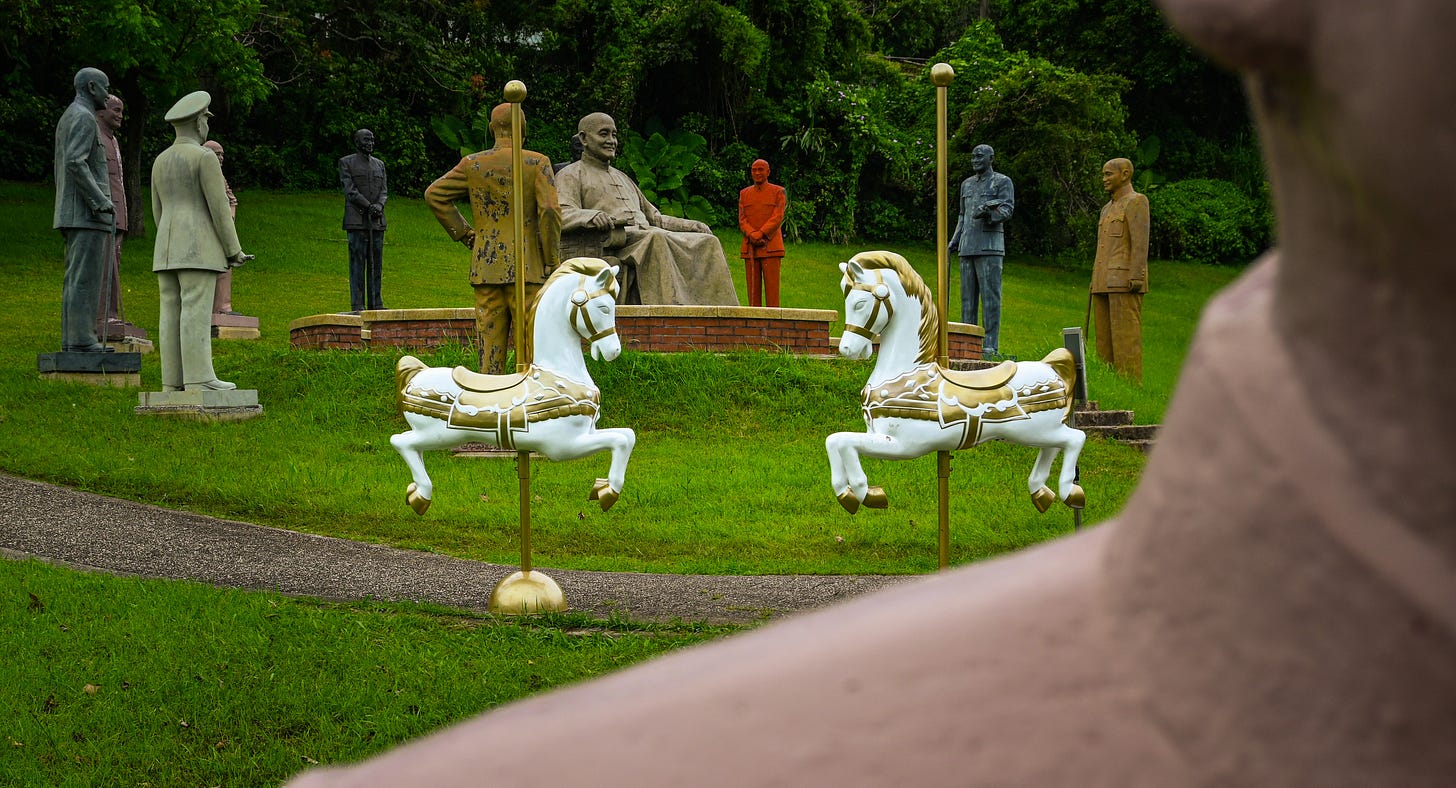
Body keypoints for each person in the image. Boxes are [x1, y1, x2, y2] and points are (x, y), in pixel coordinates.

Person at [288, 0, 1456, 784]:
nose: (593, 137)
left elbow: (638, 207)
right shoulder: (552, 174)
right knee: (639, 252)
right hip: (561, 261)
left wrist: (648, 212)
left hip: (624, 235)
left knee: (672, 232)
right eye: (584, 130)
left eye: (596, 130)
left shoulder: (604, 170)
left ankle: (1011, 439)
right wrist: (602, 215)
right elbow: (580, 216)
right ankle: (505, 408)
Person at [424, 103, 561, 374]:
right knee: (531, 349)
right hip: (529, 269)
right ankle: (527, 403)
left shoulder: (473, 164)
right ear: (523, 128)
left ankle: (488, 400)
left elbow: (434, 194)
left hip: (486, 267)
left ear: (492, 128)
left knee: (489, 350)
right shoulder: (537, 163)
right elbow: (549, 212)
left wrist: (466, 234)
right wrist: (552, 260)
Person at [556, 112, 737, 306]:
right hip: (617, 240)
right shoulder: (571, 174)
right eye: (604, 134)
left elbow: (655, 217)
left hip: (647, 234)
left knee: (708, 242)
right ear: (584, 138)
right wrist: (591, 216)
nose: (611, 141)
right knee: (656, 239)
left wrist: (690, 225)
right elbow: (561, 214)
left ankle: (724, 316)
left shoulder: (623, 177)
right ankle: (670, 313)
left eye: (614, 135)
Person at [150, 90, 248, 391]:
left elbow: (157, 210)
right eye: (205, 118)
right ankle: (200, 379)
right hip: (197, 247)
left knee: (170, 312)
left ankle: (172, 383)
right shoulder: (204, 157)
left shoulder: (161, 160)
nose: (207, 124)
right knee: (195, 310)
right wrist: (234, 250)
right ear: (197, 123)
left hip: (166, 248)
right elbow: (220, 209)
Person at [53, 67, 115, 353]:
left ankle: (74, 339)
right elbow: (75, 162)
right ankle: (81, 339)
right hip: (86, 214)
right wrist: (99, 200)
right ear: (92, 88)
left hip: (77, 212)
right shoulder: (83, 117)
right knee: (85, 279)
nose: (108, 93)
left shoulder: (71, 115)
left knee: (77, 277)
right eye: (105, 87)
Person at [948, 143, 1014, 357]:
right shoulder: (966, 185)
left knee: (990, 298)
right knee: (967, 299)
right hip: (967, 246)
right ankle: (968, 343)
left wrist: (988, 213)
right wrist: (955, 239)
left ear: (990, 158)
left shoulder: (1002, 182)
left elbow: (1007, 209)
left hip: (990, 247)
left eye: (979, 156)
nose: (974, 160)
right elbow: (962, 215)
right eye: (973, 157)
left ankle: (990, 345)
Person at [1089, 158, 1151, 381]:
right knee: (1103, 343)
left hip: (1125, 281)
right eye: (1103, 174)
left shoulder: (1137, 202)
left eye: (1108, 174)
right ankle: (1108, 384)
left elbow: (1140, 242)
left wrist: (1137, 274)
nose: (1104, 179)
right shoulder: (1106, 209)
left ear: (1125, 174)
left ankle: (1130, 386)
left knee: (1126, 341)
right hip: (1102, 281)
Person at [94, 92, 143, 342]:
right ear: (101, 111)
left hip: (118, 213)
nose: (120, 115)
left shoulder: (112, 140)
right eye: (116, 110)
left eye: (122, 110)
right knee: (103, 266)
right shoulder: (96, 137)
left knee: (115, 264)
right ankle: (101, 315)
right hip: (104, 213)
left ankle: (111, 313)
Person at [339, 129, 387, 312]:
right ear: (358, 142)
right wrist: (368, 206)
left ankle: (376, 303)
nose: (371, 143)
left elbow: (384, 191)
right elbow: (349, 190)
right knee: (358, 264)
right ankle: (357, 304)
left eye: (373, 140)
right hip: (357, 220)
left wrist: (379, 206)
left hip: (377, 221)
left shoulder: (379, 165)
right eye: (367, 140)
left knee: (376, 264)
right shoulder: (346, 162)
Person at [738, 159, 787, 307]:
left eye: (760, 169)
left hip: (771, 246)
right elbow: (742, 219)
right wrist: (752, 234)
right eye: (754, 170)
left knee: (772, 293)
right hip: (750, 246)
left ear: (768, 172)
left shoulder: (778, 191)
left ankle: (773, 323)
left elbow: (777, 216)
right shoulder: (744, 193)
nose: (757, 173)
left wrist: (762, 234)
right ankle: (753, 325)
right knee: (752, 293)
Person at [204, 139, 244, 318]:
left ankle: (223, 306)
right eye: (216, 153)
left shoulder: (220, 176)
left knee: (226, 264)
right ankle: (215, 307)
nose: (220, 158)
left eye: (222, 154)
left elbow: (232, 199)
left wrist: (230, 218)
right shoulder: (203, 173)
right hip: (208, 228)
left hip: (224, 227)